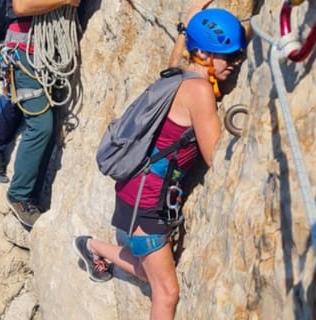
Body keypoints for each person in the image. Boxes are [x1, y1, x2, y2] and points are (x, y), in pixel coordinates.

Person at [73, 3, 247, 319]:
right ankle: (93, 247)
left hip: (137, 191)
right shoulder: (200, 93)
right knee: (166, 293)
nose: (234, 63)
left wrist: (189, 21)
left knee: (147, 271)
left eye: (238, 56)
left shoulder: (179, 74)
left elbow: (178, 54)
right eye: (228, 56)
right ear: (205, 56)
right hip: (149, 202)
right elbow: (215, 157)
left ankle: (93, 246)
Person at [0, 0, 82, 228]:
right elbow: (21, 6)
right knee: (41, 125)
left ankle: (31, 197)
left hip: (43, 54)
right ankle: (19, 195)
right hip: (23, 52)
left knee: (48, 128)